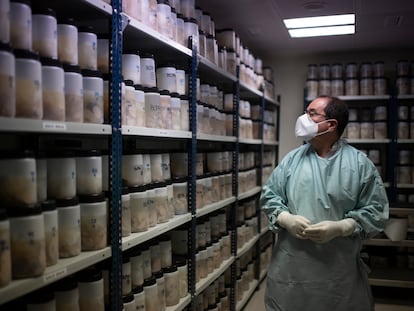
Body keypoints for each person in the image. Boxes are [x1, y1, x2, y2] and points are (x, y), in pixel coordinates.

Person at [260, 95, 389, 311]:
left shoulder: (359, 165)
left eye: (311, 113)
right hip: (292, 266)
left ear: (330, 125)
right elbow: (270, 196)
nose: (303, 118)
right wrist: (285, 218)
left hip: (337, 270)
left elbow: (376, 210)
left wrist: (343, 227)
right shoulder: (292, 160)